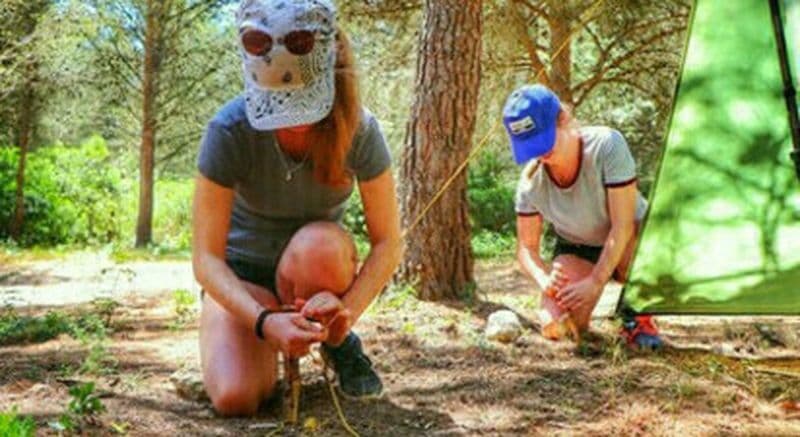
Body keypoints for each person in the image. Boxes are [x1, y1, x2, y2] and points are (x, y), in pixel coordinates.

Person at [192, 0, 402, 416]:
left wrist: (346, 314)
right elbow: (205, 259)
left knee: (319, 244)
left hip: (314, 273)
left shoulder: (361, 130)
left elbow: (388, 244)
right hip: (244, 278)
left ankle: (337, 348)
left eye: (304, 102)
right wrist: (262, 321)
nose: (291, 121)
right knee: (236, 397)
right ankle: (254, 347)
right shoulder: (228, 130)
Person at [502, 84, 662, 350]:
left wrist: (596, 281)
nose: (540, 152)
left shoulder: (607, 145)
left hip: (631, 237)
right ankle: (586, 311)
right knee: (559, 327)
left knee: (627, 245)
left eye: (543, 139)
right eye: (530, 145)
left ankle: (637, 314)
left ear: (562, 119)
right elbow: (526, 249)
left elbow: (622, 226)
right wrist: (545, 279)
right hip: (578, 246)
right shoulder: (530, 182)